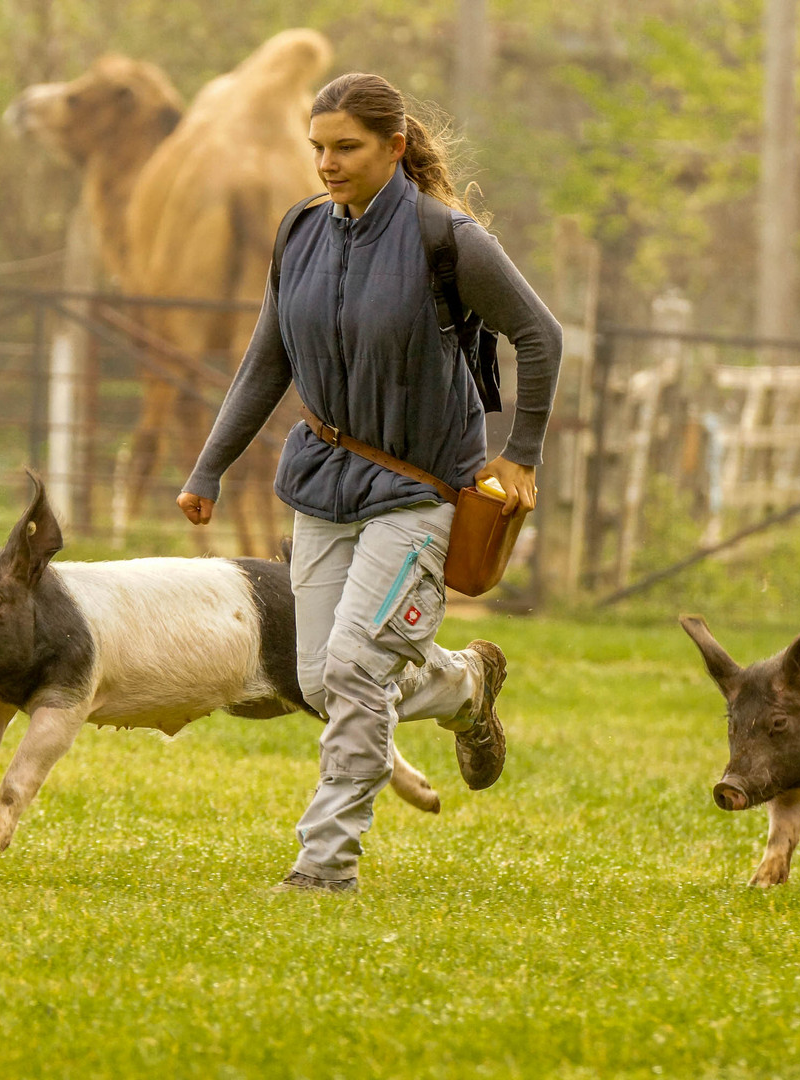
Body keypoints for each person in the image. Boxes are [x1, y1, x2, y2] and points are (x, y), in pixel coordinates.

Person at [178, 72, 562, 893]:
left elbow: (540, 335)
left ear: (394, 147)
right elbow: (265, 362)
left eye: (345, 147)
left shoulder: (447, 240)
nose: (326, 163)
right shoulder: (301, 232)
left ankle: (325, 867)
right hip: (323, 486)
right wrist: (211, 464)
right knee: (319, 679)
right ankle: (464, 683)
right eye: (317, 147)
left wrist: (519, 451)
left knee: (355, 671)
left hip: (421, 492)